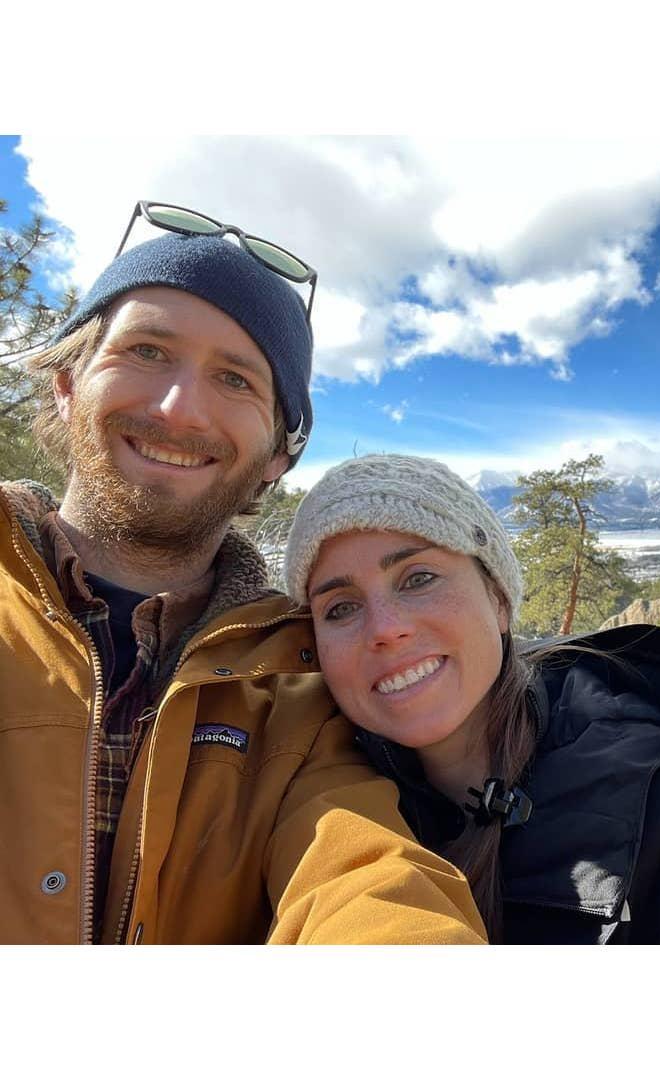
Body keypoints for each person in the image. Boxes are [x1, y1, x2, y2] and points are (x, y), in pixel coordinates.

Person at [0, 202, 485, 945]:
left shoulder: (299, 689)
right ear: (67, 384)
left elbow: (366, 874)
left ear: (276, 456)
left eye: (235, 379)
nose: (180, 409)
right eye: (147, 351)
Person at [283, 454, 660, 944]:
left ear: (498, 600)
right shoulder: (315, 816)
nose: (384, 628)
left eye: (418, 578)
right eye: (340, 608)